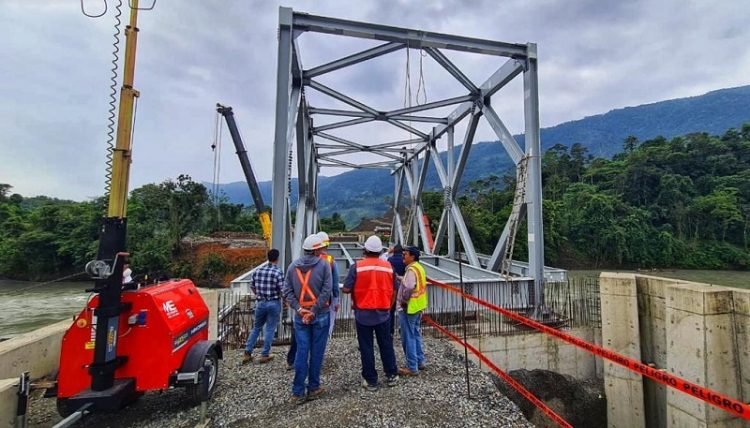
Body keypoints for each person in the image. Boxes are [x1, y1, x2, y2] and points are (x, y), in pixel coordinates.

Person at [342, 235, 399, 391]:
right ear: (380, 251)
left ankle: (371, 380)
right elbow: (394, 290)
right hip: (383, 313)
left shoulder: (357, 267)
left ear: (365, 250)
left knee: (366, 347)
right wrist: (389, 306)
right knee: (386, 344)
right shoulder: (388, 267)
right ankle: (391, 374)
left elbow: (346, 289)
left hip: (363, 314)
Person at [283, 234, 333, 404]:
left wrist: (299, 309)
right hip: (320, 314)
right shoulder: (324, 265)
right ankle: (313, 387)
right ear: (317, 250)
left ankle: (297, 392)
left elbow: (287, 291)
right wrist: (314, 310)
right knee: (317, 352)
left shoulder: (292, 267)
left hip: (300, 316)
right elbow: (327, 290)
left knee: (301, 352)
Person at [243, 249, 284, 364]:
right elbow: (282, 290)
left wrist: (258, 294)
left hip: (260, 303)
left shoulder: (258, 271)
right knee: (270, 328)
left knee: (256, 328)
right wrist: (286, 301)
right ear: (277, 258)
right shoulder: (278, 272)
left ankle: (247, 352)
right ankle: (265, 354)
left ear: (268, 257)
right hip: (273, 302)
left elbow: (252, 285)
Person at [397, 246, 428, 376]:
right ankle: (420, 361)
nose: (403, 256)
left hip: (409, 308)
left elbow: (410, 286)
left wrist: (404, 300)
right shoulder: (419, 267)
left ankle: (412, 367)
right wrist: (401, 278)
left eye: (406, 254)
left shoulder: (411, 270)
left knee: (408, 336)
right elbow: (413, 284)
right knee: (415, 334)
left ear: (412, 256)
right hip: (418, 306)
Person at [317, 231, 340, 338]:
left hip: (308, 299)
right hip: (326, 300)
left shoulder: (304, 260)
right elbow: (335, 283)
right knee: (326, 325)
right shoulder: (330, 260)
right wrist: (336, 300)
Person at [386, 244, 406, 336]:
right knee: (403, 309)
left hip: (392, 287)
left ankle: (390, 331)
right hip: (403, 287)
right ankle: (402, 329)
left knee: (391, 309)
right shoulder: (404, 260)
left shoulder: (390, 260)